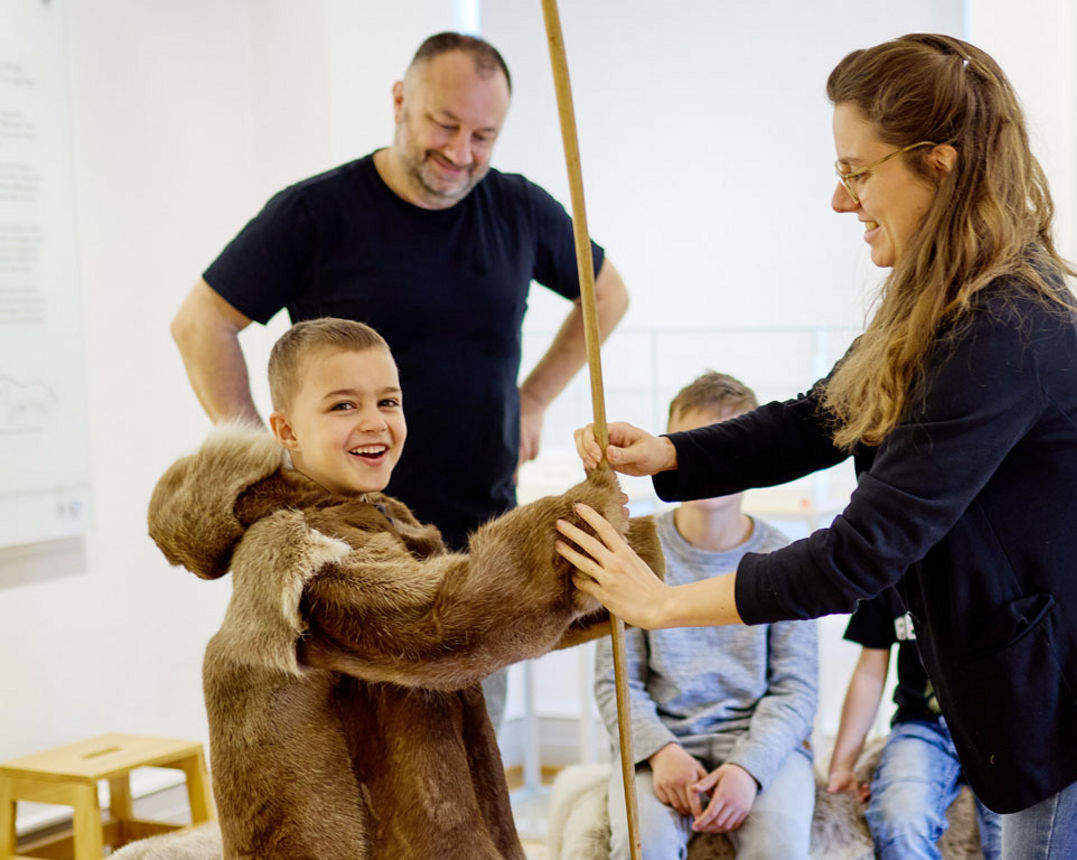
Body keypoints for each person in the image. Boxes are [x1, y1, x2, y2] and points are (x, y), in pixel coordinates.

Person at [556, 33, 1077, 859]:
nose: (842, 201)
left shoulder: (999, 329)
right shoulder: (939, 293)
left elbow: (858, 555)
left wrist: (662, 603)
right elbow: (822, 415)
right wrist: (672, 453)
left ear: (939, 165)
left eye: (857, 173)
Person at [169, 32, 630, 725]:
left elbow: (608, 295)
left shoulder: (518, 209)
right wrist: (261, 460)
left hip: (474, 549)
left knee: (472, 762)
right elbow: (200, 323)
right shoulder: (316, 212)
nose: (461, 152)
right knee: (344, 767)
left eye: (483, 136)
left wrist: (533, 398)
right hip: (345, 562)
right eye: (444, 125)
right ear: (399, 102)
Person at [147, 318, 661, 860]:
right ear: (288, 431)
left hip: (423, 820)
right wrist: (577, 529)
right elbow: (439, 624)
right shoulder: (293, 552)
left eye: (388, 402)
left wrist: (619, 566)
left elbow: (492, 624)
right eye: (343, 406)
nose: (374, 422)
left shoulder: (383, 517)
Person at [594, 372, 818, 860]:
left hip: (764, 746)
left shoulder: (787, 558)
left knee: (779, 844)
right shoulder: (636, 554)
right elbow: (616, 682)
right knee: (642, 844)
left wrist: (748, 769)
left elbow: (796, 689)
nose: (712, 463)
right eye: (696, 445)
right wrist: (661, 752)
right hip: (662, 745)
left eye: (725, 447)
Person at [827, 588, 1001, 859]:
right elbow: (869, 673)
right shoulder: (889, 574)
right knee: (899, 824)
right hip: (922, 725)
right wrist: (842, 766)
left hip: (1002, 729)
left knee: (1012, 842)